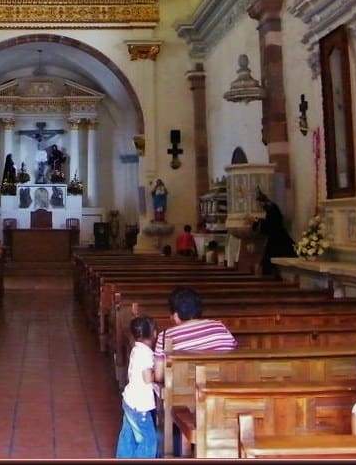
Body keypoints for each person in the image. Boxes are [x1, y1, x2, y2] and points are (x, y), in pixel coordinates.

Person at [154, 287, 237, 453]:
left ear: (176, 315)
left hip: (183, 398)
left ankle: (166, 447)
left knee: (156, 388)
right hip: (222, 392)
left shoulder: (165, 336)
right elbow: (233, 354)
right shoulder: (219, 327)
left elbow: (159, 374)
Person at [116, 316, 158, 458]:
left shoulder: (136, 349)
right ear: (154, 333)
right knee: (148, 440)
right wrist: (158, 373)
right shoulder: (146, 353)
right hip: (140, 407)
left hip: (129, 401)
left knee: (128, 437)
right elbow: (147, 378)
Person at [252, 188, 296, 275]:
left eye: (259, 204)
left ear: (262, 202)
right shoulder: (272, 207)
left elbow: (271, 225)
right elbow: (270, 223)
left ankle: (272, 279)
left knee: (270, 261)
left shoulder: (271, 208)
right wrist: (257, 221)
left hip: (278, 239)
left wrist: (257, 222)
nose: (259, 206)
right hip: (276, 237)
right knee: (269, 261)